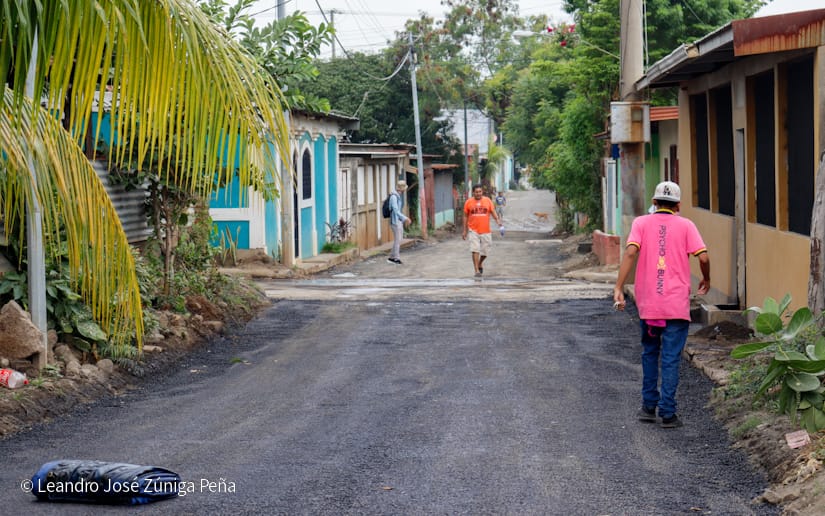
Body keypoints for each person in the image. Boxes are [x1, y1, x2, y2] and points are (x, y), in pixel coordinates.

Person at [613, 181, 710, 429]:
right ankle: (668, 413)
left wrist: (619, 287)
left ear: (654, 203)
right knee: (670, 358)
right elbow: (703, 257)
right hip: (676, 305)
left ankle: (648, 406)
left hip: (650, 305)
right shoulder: (687, 225)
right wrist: (707, 278)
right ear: (678, 205)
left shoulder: (641, 223)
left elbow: (630, 253)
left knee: (649, 352)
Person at [462, 184, 503, 278]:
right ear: (473, 193)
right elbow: (465, 216)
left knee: (485, 251)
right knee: (475, 249)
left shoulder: (487, 201)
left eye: (480, 191)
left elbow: (493, 212)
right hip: (473, 230)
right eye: (476, 192)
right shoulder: (468, 202)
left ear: (482, 192)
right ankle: (476, 270)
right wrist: (465, 230)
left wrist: (498, 221)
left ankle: (480, 263)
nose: (478, 193)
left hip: (485, 230)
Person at [387, 180, 411, 265]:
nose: (404, 190)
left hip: (398, 220)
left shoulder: (397, 196)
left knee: (399, 239)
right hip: (395, 221)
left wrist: (402, 219)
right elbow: (395, 210)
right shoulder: (394, 197)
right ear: (402, 189)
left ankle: (392, 257)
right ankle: (396, 258)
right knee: (397, 240)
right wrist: (405, 218)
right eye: (404, 188)